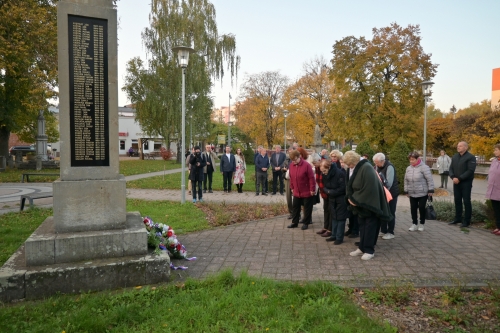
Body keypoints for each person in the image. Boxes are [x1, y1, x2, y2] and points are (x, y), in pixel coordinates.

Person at [345, 151, 392, 261]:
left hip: (371, 204)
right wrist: (352, 198)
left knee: (370, 227)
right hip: (362, 204)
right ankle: (362, 247)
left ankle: (369, 250)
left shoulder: (366, 167)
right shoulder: (360, 167)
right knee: (363, 226)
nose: (349, 167)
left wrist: (354, 199)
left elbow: (369, 188)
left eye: (349, 164)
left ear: (354, 161)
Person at [404, 151, 434, 231]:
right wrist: (406, 190)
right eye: (410, 159)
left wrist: (430, 190)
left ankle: (422, 223)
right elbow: (406, 180)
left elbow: (429, 179)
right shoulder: (408, 168)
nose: (411, 161)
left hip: (422, 192)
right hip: (412, 192)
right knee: (413, 208)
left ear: (417, 159)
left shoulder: (424, 167)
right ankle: (414, 223)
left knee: (421, 208)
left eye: (413, 159)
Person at [448, 141, 476, 228]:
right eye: (458, 146)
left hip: (466, 183)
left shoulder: (471, 157)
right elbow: (451, 168)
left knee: (466, 201)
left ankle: (467, 221)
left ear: (465, 147)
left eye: (460, 146)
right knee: (457, 200)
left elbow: (470, 171)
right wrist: (453, 177)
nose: (458, 147)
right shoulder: (455, 156)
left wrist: (460, 178)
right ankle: (458, 218)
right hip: (456, 182)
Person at [287, 149, 316, 230]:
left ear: (299, 156)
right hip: (296, 191)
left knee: (307, 208)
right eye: (292, 160)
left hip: (306, 190)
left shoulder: (306, 165)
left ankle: (306, 223)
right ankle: (294, 222)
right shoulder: (291, 166)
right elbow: (291, 177)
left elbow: (311, 178)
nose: (294, 162)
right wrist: (292, 187)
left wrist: (312, 189)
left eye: (295, 160)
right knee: (295, 207)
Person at [373, 153, 399, 239]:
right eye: (375, 162)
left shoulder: (389, 167)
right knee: (383, 211)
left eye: (377, 162)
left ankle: (390, 232)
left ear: (382, 161)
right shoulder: (377, 166)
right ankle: (383, 230)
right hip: (382, 193)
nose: (376, 164)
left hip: (391, 193)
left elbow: (389, 183)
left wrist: (381, 189)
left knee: (390, 212)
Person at [321, 159, 347, 244]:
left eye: (324, 171)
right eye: (322, 171)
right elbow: (324, 186)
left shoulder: (340, 173)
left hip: (340, 198)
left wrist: (330, 191)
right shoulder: (325, 174)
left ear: (329, 167)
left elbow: (342, 188)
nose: (323, 173)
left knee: (340, 218)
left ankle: (339, 238)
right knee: (334, 217)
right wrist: (327, 191)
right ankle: (333, 235)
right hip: (331, 198)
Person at [486, 144, 500, 235]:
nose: (494, 151)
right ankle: (498, 227)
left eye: (496, 150)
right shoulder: (494, 161)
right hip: (493, 189)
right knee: (496, 210)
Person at [283, 146, 294, 219]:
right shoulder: (286, 159)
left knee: (297, 197)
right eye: (289, 152)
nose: (290, 153)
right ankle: (291, 212)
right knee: (288, 197)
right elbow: (283, 166)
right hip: (288, 179)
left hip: (295, 179)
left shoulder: (297, 160)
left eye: (291, 152)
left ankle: (297, 213)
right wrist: (283, 169)